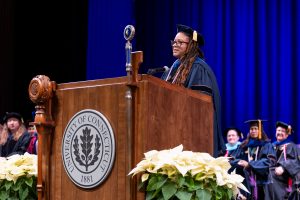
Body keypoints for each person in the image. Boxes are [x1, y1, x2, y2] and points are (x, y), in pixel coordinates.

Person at [161, 24, 225, 156]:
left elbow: (199, 108)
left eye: (180, 42)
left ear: (191, 46)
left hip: (194, 134)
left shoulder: (198, 68)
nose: (175, 45)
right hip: (175, 129)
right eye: (174, 42)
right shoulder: (174, 68)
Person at [230, 119, 276, 200]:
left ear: (260, 130)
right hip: (244, 182)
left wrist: (249, 164)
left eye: (256, 129)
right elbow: (232, 159)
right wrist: (240, 162)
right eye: (251, 129)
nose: (253, 131)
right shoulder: (243, 145)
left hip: (261, 183)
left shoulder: (266, 145)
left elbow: (269, 162)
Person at [267, 121, 300, 200]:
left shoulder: (291, 146)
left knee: (271, 175)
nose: (280, 132)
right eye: (278, 130)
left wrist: (283, 167)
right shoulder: (272, 146)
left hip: (286, 176)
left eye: (283, 131)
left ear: (287, 134)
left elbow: (296, 161)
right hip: (272, 173)